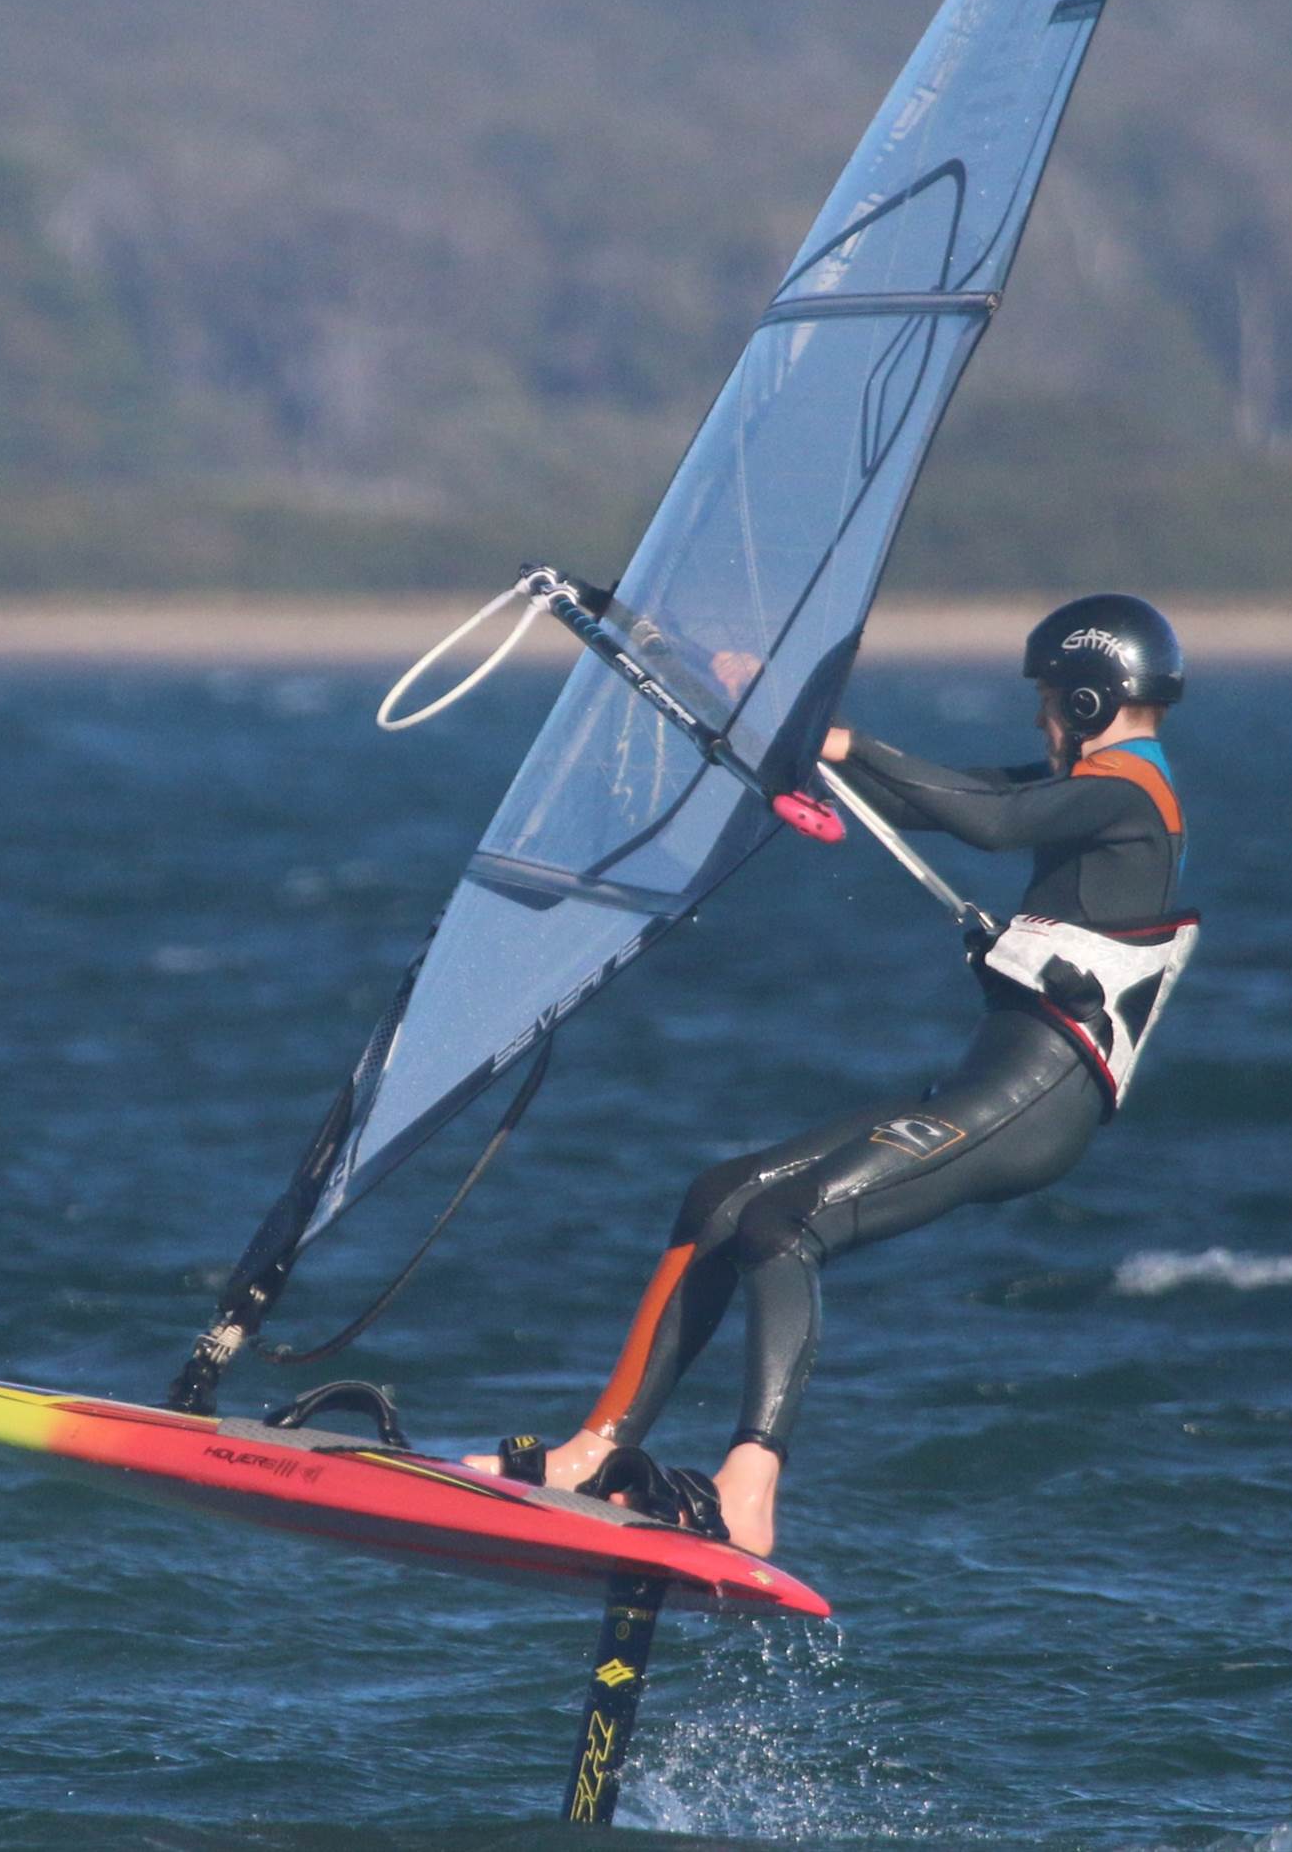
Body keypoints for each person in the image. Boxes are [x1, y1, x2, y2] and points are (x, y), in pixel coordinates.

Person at [463, 593, 1200, 1556]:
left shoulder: (1129, 792)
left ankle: (749, 1491)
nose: (1039, 717)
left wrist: (839, 737)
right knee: (724, 1197)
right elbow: (933, 797)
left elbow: (989, 820)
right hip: (992, 1080)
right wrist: (775, 722)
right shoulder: (1095, 787)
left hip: (1037, 1097)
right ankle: (591, 1451)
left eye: (1050, 698)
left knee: (786, 1224)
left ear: (1090, 699)